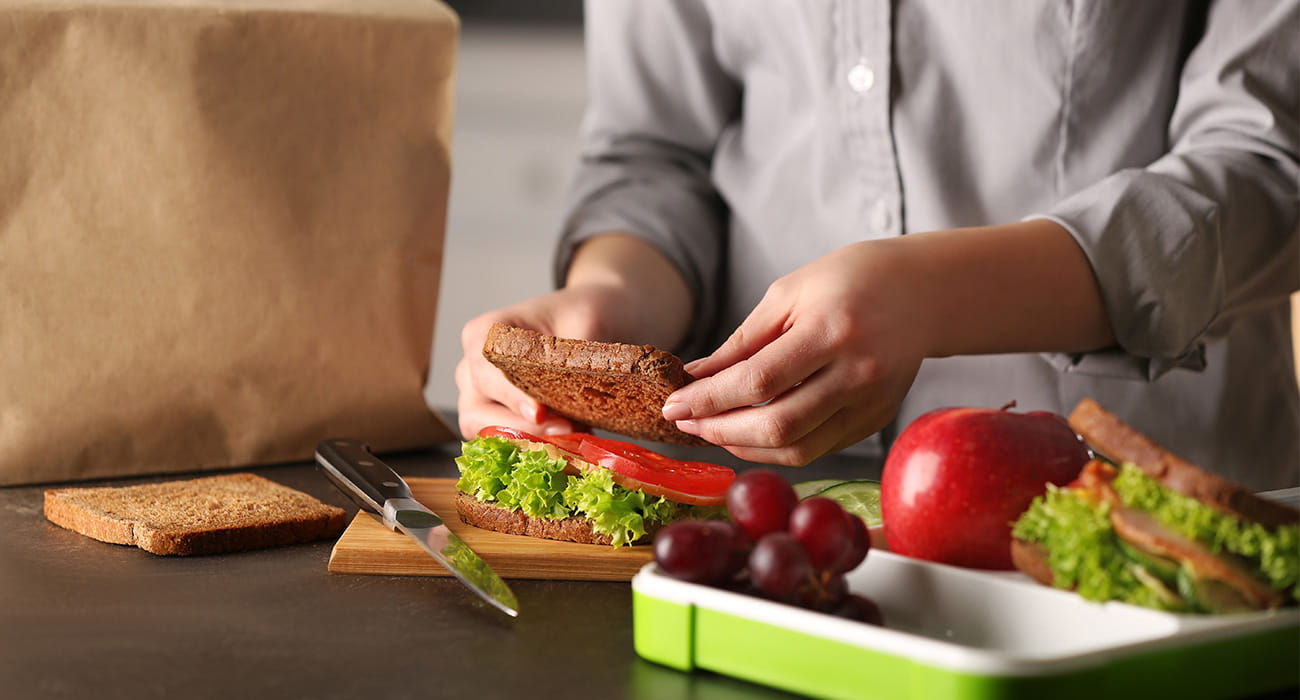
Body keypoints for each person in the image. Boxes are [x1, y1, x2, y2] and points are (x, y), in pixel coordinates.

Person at [456, 1, 1299, 492]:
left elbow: (1268, 167)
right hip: (750, 522)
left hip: (1131, 497)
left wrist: (933, 297)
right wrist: (603, 298)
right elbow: (655, 151)